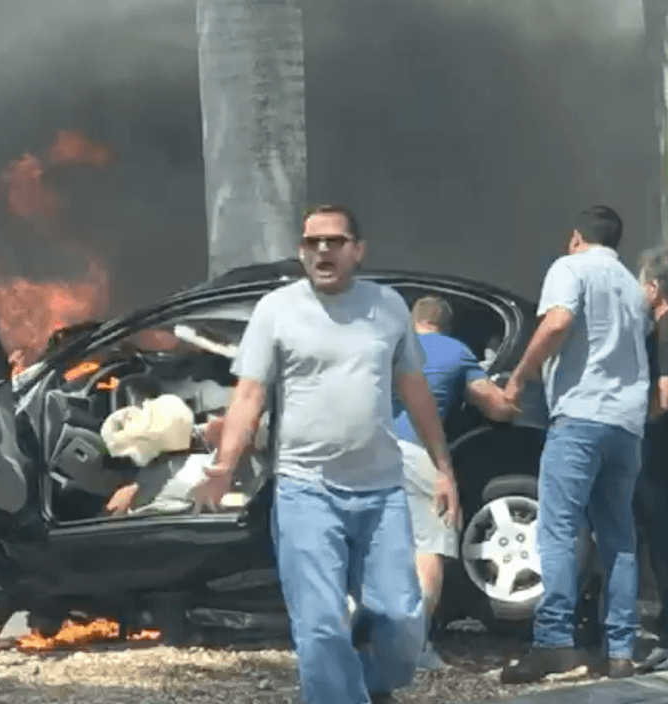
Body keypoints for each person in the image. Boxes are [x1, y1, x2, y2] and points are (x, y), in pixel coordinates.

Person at [200, 204, 459, 704]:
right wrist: (224, 466)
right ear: (301, 251)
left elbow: (415, 390)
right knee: (319, 626)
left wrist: (443, 468)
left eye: (335, 241)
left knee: (402, 616)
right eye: (312, 242)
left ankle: (371, 684)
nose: (322, 250)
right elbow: (249, 394)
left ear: (357, 250)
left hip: (382, 491)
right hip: (306, 491)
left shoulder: (388, 307)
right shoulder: (276, 310)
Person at [500, 205, 649, 683]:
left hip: (581, 414)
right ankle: (621, 650)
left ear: (576, 238)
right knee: (618, 537)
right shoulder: (633, 288)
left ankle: (553, 643)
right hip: (626, 424)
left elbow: (559, 321)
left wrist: (521, 374)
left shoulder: (571, 267)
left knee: (559, 529)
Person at [392, 296, 519, 669]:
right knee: (428, 548)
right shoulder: (455, 352)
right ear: (446, 326)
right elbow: (496, 407)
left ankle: (359, 641)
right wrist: (513, 397)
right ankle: (414, 647)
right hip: (419, 455)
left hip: (369, 456)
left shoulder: (389, 345)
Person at [634, 245, 668, 672]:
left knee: (661, 540)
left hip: (660, 449)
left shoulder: (663, 329)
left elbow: (664, 393)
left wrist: (642, 417)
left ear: (654, 288)